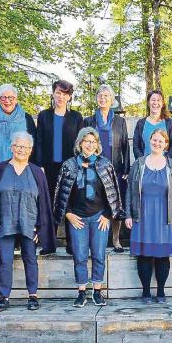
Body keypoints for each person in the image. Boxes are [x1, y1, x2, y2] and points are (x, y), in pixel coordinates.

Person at [0, 132, 56, 313]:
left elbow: (43, 201)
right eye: (18, 146)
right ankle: (4, 297)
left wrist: (40, 226)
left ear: (31, 150)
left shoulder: (37, 172)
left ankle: (33, 296)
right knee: (5, 261)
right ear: (12, 147)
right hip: (4, 223)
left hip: (29, 223)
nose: (22, 150)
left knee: (31, 259)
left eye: (26, 147)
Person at [53, 128, 124, 307]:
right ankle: (81, 291)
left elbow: (113, 192)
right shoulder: (69, 165)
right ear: (80, 143)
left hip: (99, 217)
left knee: (99, 254)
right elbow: (61, 192)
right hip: (78, 218)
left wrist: (108, 215)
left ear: (97, 144)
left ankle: (97, 291)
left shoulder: (105, 164)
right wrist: (68, 214)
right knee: (80, 255)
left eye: (93, 142)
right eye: (86, 141)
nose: (90, 145)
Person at [125, 129, 172, 304]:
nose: (157, 143)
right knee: (144, 255)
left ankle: (160, 292)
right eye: (154, 140)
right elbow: (130, 190)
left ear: (166, 144)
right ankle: (145, 292)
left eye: (161, 141)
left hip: (165, 216)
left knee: (162, 256)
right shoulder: (139, 163)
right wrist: (128, 214)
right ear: (149, 141)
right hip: (142, 215)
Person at [34, 80, 83, 254]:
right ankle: (49, 244)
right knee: (49, 204)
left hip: (70, 167)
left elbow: (80, 143)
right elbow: (38, 141)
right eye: (58, 93)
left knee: (71, 202)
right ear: (53, 94)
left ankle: (72, 244)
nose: (61, 97)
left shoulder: (76, 117)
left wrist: (79, 165)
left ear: (69, 97)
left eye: (65, 94)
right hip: (49, 167)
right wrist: (39, 165)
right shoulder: (44, 116)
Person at [83, 85, 130, 253]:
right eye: (100, 96)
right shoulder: (89, 120)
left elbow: (125, 146)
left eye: (106, 96)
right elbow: (83, 144)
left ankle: (116, 239)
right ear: (96, 99)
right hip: (94, 169)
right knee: (95, 203)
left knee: (115, 204)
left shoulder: (120, 121)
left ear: (112, 100)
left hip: (114, 169)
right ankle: (94, 240)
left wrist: (126, 169)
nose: (103, 98)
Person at [0, 84, 37, 163]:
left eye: (11, 97)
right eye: (3, 97)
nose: (7, 101)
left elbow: (34, 144)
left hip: (22, 166)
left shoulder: (27, 118)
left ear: (16, 99)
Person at [132, 90, 172, 159]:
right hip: (145, 165)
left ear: (162, 103)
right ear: (148, 103)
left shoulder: (169, 123)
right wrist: (143, 161)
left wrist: (165, 161)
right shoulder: (141, 123)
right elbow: (136, 146)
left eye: (158, 100)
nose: (155, 103)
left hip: (165, 165)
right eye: (153, 100)